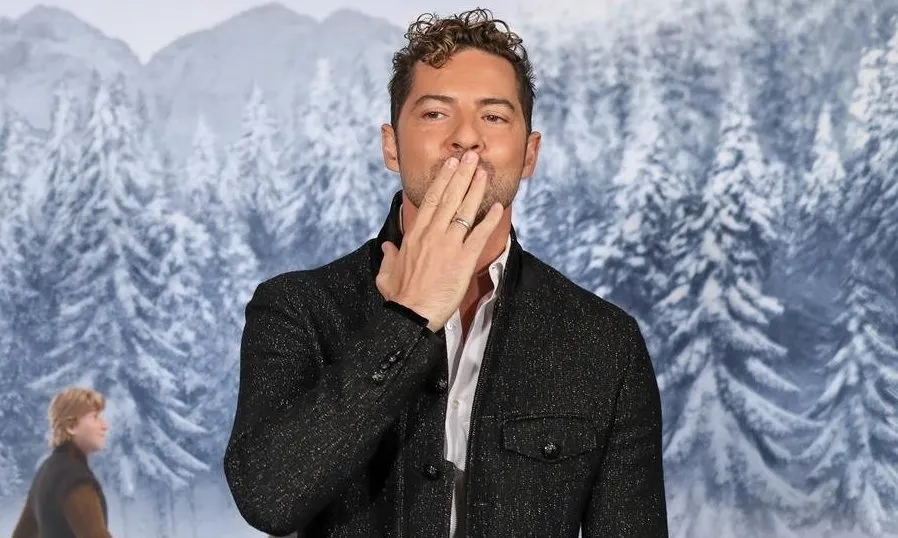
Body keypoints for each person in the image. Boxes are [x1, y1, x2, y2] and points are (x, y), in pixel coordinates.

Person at [224, 8, 667, 538]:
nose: (466, 138)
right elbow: (267, 498)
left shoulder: (605, 341)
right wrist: (408, 319)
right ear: (391, 145)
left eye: (494, 117)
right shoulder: (297, 308)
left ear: (529, 154)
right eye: (435, 113)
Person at [12, 386, 112, 538]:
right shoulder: (74, 479)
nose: (105, 426)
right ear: (71, 426)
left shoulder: (46, 471)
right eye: (95, 417)